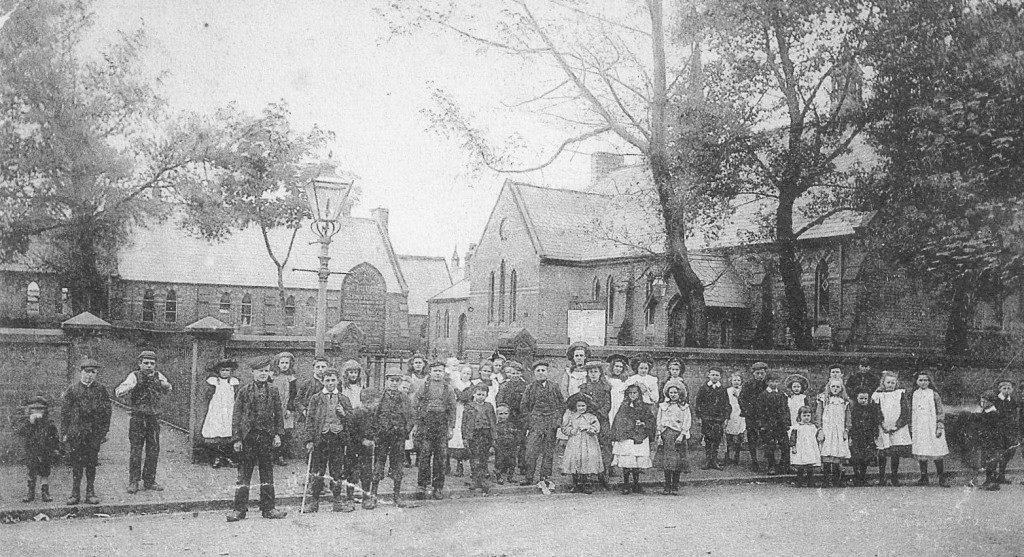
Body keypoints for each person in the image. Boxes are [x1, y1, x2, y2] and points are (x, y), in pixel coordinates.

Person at [228, 358, 287, 522]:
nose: (263, 374)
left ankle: (268, 509)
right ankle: (239, 510)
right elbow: (236, 416)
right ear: (253, 373)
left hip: (266, 438)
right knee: (244, 475)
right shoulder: (244, 391)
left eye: (266, 371)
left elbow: (279, 415)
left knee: (267, 474)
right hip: (249, 438)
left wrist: (277, 434)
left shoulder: (273, 391)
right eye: (260, 371)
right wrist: (237, 439)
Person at [115, 350, 172, 494]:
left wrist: (166, 385)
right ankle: (133, 481)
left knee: (153, 449)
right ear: (139, 364)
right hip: (138, 418)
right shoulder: (134, 376)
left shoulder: (159, 376)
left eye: (152, 363)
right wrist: (129, 387)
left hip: (153, 418)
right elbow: (118, 391)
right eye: (146, 363)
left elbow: (168, 388)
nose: (149, 366)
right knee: (136, 450)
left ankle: (149, 480)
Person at [302, 368, 354, 513]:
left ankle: (337, 501)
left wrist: (344, 414)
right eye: (327, 380)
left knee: (336, 471)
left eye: (333, 380)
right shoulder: (316, 398)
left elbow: (351, 419)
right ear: (323, 382)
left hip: (337, 438)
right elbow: (310, 420)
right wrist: (309, 440)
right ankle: (314, 502)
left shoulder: (344, 399)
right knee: (318, 471)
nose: (330, 383)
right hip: (321, 438)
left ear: (338, 381)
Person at [61, 358, 112, 506]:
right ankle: (75, 493)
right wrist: (65, 432)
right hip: (76, 432)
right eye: (86, 372)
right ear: (80, 372)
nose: (89, 375)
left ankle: (90, 492)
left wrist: (104, 432)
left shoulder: (101, 390)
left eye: (93, 372)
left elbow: (106, 412)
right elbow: (65, 413)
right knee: (76, 463)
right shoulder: (72, 389)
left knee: (91, 463)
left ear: (96, 374)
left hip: (93, 433)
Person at [412, 360, 457, 500]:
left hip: (441, 426)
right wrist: (416, 423)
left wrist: (451, 427)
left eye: (440, 371)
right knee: (424, 456)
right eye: (435, 371)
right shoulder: (424, 387)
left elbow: (452, 409)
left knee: (440, 457)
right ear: (430, 372)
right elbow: (415, 404)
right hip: (426, 425)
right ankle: (422, 485)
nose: (438, 373)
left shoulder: (448, 388)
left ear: (444, 373)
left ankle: (438, 487)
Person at [372, 368, 415, 508]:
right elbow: (374, 416)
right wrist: (376, 432)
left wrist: (404, 431)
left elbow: (410, 417)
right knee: (378, 465)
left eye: (397, 381)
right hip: (382, 438)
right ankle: (373, 495)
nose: (394, 383)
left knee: (397, 466)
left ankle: (396, 496)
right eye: (392, 380)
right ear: (386, 381)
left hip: (398, 438)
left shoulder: (404, 398)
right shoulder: (379, 397)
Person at [520, 360, 565, 486]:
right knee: (531, 451)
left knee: (548, 451)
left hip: (550, 422)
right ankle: (529, 477)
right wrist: (530, 421)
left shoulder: (554, 387)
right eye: (538, 371)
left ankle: (545, 477)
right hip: (536, 422)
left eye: (543, 370)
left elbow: (561, 405)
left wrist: (557, 419)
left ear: (548, 372)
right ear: (534, 373)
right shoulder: (530, 388)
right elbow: (524, 406)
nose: (540, 373)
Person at [611, 384, 655, 494]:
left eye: (634, 393)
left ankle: (636, 483)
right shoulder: (623, 406)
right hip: (627, 436)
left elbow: (650, 420)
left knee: (637, 461)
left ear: (639, 394)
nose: (632, 395)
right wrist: (628, 426)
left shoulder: (644, 407)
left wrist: (643, 423)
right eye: (630, 393)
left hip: (640, 436)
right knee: (627, 460)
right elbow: (619, 421)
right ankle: (626, 484)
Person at [910, 370, 950, 487]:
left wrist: (939, 425)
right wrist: (912, 427)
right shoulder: (914, 394)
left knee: (937, 450)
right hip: (920, 427)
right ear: (917, 381)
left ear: (929, 381)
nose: (923, 382)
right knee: (922, 451)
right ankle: (924, 477)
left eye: (926, 380)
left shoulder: (934, 394)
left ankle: (941, 478)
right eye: (920, 380)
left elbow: (940, 411)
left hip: (932, 425)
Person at [872, 370, 912, 487]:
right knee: (883, 452)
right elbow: (876, 411)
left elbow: (905, 412)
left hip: (897, 428)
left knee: (895, 452)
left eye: (893, 383)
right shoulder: (878, 395)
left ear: (896, 383)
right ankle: (881, 477)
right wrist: (882, 423)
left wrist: (897, 425)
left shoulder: (900, 394)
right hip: (883, 427)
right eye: (888, 382)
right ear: (883, 383)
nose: (890, 385)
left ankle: (894, 476)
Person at [16, 396, 59, 503]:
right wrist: (30, 423)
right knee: (31, 471)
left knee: (45, 472)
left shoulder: (48, 423)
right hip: (31, 450)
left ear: (45, 410)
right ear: (29, 410)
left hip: (45, 450)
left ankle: (45, 492)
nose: (37, 411)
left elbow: (54, 436)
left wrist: (55, 448)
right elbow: (21, 433)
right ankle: (30, 492)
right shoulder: (27, 422)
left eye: (41, 409)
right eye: (34, 409)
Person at [579, 360, 613, 487]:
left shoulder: (606, 387)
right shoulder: (584, 388)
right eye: (590, 372)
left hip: (602, 420)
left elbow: (608, 404)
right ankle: (587, 474)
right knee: (588, 446)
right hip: (588, 420)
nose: (593, 374)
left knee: (605, 446)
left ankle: (604, 474)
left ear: (600, 373)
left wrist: (599, 414)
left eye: (595, 372)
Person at [560, 392, 602, 494]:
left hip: (588, 441)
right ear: (575, 406)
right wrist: (571, 431)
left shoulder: (591, 417)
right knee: (575, 460)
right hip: (575, 441)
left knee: (586, 460)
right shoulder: (572, 416)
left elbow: (596, 428)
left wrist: (588, 428)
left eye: (583, 406)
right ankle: (575, 484)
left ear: (587, 406)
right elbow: (564, 427)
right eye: (579, 406)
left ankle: (585, 484)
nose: (581, 408)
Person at [201, 359, 240, 469]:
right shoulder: (214, 381)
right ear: (218, 371)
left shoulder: (233, 382)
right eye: (223, 370)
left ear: (231, 371)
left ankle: (228, 457)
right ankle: (216, 457)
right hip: (217, 410)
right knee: (216, 432)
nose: (225, 373)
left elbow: (237, 396)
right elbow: (208, 395)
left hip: (229, 410)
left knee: (228, 432)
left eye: (227, 370)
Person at [348, 388, 383, 509]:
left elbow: (376, 428)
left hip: (367, 450)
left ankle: (366, 497)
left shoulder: (375, 414)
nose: (377, 405)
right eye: (375, 402)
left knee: (366, 473)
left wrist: (374, 439)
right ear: (367, 402)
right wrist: (362, 440)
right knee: (352, 473)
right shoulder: (356, 413)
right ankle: (349, 498)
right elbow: (351, 431)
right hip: (354, 448)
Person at [462, 383, 497, 495]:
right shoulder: (469, 407)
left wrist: (493, 436)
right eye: (478, 394)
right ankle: (475, 480)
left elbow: (493, 421)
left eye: (483, 394)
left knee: (483, 457)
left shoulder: (489, 406)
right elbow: (464, 423)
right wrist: (465, 437)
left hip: (485, 434)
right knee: (474, 457)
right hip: (474, 435)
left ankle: (482, 479)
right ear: (474, 394)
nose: (480, 396)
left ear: (486, 395)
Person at [657, 384, 691, 495]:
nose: (673, 395)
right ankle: (667, 486)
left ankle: (675, 485)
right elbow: (659, 420)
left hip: (678, 436)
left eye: (675, 393)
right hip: (666, 435)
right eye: (671, 392)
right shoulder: (663, 406)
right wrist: (659, 435)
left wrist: (682, 435)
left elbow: (687, 421)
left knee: (678, 462)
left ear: (680, 394)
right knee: (668, 461)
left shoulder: (684, 407)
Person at [817, 378, 852, 487]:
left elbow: (848, 418)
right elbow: (818, 415)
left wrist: (846, 430)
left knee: (837, 453)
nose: (835, 389)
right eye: (833, 386)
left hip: (839, 430)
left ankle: (837, 480)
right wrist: (820, 429)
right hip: (827, 429)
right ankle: (826, 480)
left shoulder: (844, 402)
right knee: (827, 452)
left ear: (841, 388)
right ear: (829, 387)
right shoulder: (824, 400)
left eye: (838, 387)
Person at [496, 360, 529, 477]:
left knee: (522, 443)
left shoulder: (525, 387)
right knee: (507, 442)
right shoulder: (505, 386)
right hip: (508, 418)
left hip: (520, 418)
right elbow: (500, 401)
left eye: (517, 373)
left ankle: (522, 466)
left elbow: (528, 403)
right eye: (513, 373)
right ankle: (506, 466)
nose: (515, 376)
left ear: (521, 374)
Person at [694, 367, 731, 470]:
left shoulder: (722, 389)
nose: (714, 377)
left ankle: (714, 460)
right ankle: (708, 460)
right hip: (706, 418)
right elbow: (698, 403)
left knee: (717, 439)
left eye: (717, 375)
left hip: (718, 419)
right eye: (713, 375)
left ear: (720, 377)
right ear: (708, 375)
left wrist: (726, 417)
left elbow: (726, 404)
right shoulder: (704, 388)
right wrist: (699, 417)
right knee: (708, 438)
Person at [755, 372, 790, 476]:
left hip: (781, 424)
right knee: (770, 446)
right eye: (771, 381)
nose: (774, 384)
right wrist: (762, 425)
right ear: (767, 382)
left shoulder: (782, 395)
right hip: (768, 425)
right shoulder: (763, 395)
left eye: (776, 381)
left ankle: (784, 466)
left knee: (785, 445)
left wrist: (787, 422)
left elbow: (786, 409)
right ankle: (771, 466)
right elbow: (760, 411)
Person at [269, 352, 298, 466]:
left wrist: (289, 409)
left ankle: (280, 455)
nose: (284, 365)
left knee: (283, 432)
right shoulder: (271, 376)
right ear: (277, 364)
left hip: (285, 407)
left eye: (287, 363)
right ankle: (270, 455)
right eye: (282, 363)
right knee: (271, 429)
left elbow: (293, 395)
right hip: (273, 407)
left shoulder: (291, 378)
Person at [849, 390, 883, 487]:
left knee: (865, 457)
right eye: (861, 398)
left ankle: (863, 477)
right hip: (857, 436)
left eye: (865, 399)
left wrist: (874, 433)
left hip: (868, 436)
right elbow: (852, 424)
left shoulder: (871, 410)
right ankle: (856, 476)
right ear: (857, 399)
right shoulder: (854, 410)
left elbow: (874, 422)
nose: (863, 401)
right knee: (856, 457)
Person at [740, 362, 769, 471]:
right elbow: (742, 399)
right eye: (757, 373)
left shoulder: (767, 385)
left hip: (765, 416)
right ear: (753, 373)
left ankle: (767, 460)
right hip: (751, 416)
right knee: (752, 438)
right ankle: (754, 461)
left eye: (762, 373)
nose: (760, 376)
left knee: (766, 437)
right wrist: (748, 411)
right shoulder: (748, 385)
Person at [993, 379, 1020, 484]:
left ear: (1012, 390)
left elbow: (1014, 415)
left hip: (1009, 431)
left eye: (1009, 388)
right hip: (997, 431)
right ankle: (993, 476)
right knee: (996, 453)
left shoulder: (1012, 401)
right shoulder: (996, 400)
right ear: (999, 389)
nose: (1007, 390)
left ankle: (1001, 476)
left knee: (1007, 453)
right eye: (1004, 388)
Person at [448, 364, 473, 477]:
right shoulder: (454, 383)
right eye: (464, 373)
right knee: (452, 436)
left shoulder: (471, 385)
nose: (466, 375)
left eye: (468, 374)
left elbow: (464, 397)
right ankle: (447, 465)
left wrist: (456, 391)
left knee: (462, 438)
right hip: (455, 411)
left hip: (465, 412)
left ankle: (460, 465)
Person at [977, 390, 1004, 491]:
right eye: (981, 401)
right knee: (987, 460)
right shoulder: (986, 412)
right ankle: (988, 481)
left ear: (991, 402)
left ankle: (992, 482)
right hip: (987, 441)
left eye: (984, 402)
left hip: (993, 441)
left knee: (992, 461)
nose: (982, 403)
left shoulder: (993, 413)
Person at [789, 406, 822, 488]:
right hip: (801, 447)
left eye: (808, 416)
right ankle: (799, 481)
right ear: (799, 416)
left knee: (810, 466)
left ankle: (810, 481)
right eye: (804, 416)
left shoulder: (813, 427)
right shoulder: (797, 427)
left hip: (810, 447)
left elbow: (816, 437)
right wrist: (793, 446)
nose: (806, 418)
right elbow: (793, 437)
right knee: (800, 466)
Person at [493, 404, 520, 485]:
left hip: (511, 447)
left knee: (512, 462)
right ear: (497, 415)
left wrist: (517, 444)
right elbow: (493, 437)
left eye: (505, 413)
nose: (503, 416)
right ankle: (499, 477)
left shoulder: (512, 425)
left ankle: (510, 477)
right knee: (499, 462)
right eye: (500, 414)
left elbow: (516, 435)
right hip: (500, 447)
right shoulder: (495, 426)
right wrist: (494, 445)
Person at [724, 373, 746, 466]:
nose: (736, 382)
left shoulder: (744, 391)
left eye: (738, 380)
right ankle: (727, 456)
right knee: (728, 435)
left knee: (739, 435)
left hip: (740, 414)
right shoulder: (727, 391)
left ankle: (737, 456)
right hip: (731, 414)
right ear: (731, 381)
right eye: (734, 380)